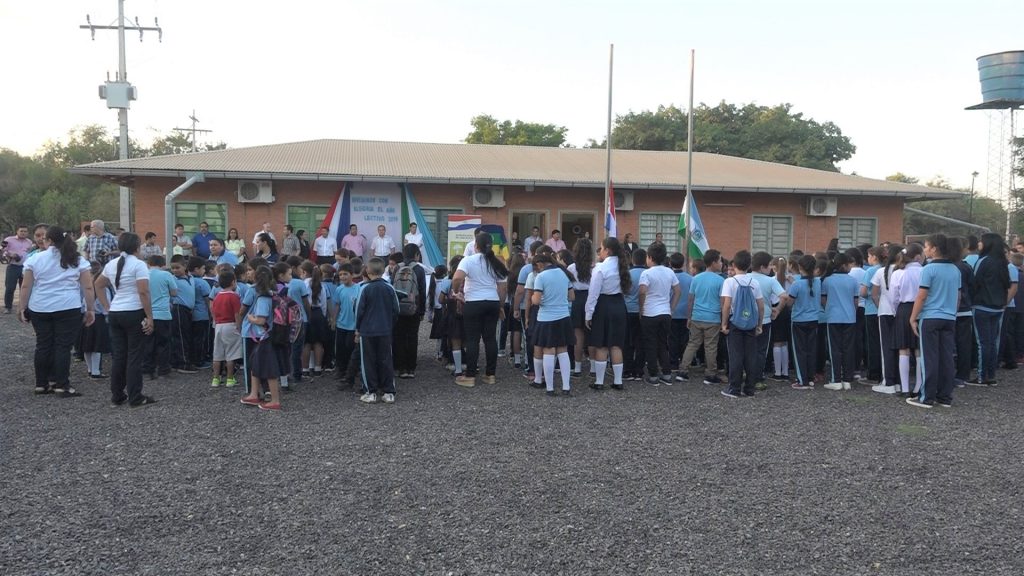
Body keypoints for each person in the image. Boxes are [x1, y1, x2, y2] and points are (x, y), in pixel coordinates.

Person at [20, 226, 95, 397]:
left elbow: (26, 285)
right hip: (68, 306)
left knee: (43, 344)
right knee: (63, 346)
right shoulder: (76, 259)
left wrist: (22, 307)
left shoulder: (36, 259)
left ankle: (41, 383)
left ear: (49, 240)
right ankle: (62, 384)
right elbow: (88, 286)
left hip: (40, 306)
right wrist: (90, 309)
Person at [95, 232, 157, 407]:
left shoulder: (111, 264)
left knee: (119, 356)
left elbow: (98, 285)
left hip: (115, 311)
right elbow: (143, 292)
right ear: (137, 247)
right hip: (134, 311)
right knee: (134, 356)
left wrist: (107, 306)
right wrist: (150, 317)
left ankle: (117, 395)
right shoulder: (139, 265)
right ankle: (135, 396)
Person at [907, 234, 960, 408]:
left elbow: (921, 296)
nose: (925, 249)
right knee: (946, 358)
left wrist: (913, 317)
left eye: (927, 246)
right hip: (949, 317)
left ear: (934, 248)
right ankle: (945, 396)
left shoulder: (928, 269)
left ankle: (927, 397)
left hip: (930, 317)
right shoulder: (955, 269)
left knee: (929, 357)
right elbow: (958, 296)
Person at [452, 232, 509, 387]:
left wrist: (456, 291)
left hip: (473, 302)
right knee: (490, 338)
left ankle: (470, 375)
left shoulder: (468, 260)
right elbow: (503, 288)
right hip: (492, 302)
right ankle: (490, 375)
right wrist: (501, 306)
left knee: (472, 339)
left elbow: (457, 278)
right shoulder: (498, 262)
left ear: (475, 246)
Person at [584, 236, 632, 390]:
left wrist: (588, 314)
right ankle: (618, 381)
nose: (600, 251)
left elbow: (593, 294)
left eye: (602, 248)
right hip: (619, 304)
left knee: (602, 345)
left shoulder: (600, 268)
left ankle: (599, 381)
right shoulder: (623, 266)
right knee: (616, 345)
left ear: (608, 250)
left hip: (603, 305)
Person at [719, 250, 765, 398]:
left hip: (735, 322)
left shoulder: (729, 282)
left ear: (734, 265)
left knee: (735, 355)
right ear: (749, 265)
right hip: (751, 323)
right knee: (751, 355)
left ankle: (734, 388)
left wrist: (724, 324)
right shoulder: (755, 282)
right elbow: (761, 306)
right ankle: (750, 388)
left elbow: (726, 305)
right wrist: (760, 324)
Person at [968, 233, 1011, 387]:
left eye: (981, 241)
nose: (979, 243)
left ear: (987, 244)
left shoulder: (983, 261)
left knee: (983, 343)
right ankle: (991, 375)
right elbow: (1007, 284)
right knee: (993, 342)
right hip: (998, 307)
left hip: (981, 306)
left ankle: (981, 377)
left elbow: (974, 282)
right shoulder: (1003, 262)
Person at [239, 265, 284, 411]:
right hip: (266, 336)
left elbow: (261, 320)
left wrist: (251, 318)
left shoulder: (263, 297)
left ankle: (274, 401)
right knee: (255, 364)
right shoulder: (273, 293)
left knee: (268, 368)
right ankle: (254, 393)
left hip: (264, 336)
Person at [356, 257, 400, 403]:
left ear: (367, 271)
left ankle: (370, 391)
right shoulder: (390, 288)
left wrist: (357, 328)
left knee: (367, 361)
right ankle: (389, 392)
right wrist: (390, 324)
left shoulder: (364, 288)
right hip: (385, 330)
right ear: (383, 270)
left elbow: (358, 311)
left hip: (367, 331)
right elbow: (396, 310)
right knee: (386, 359)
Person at [530, 253, 575, 395]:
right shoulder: (564, 273)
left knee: (548, 350)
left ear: (540, 264)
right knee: (563, 350)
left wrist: (533, 297)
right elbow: (572, 297)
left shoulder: (541, 277)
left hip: (546, 318)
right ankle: (566, 387)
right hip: (563, 316)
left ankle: (550, 388)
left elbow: (536, 301)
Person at [678, 250, 725, 385]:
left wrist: (689, 317)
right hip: (713, 318)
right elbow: (722, 302)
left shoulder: (696, 278)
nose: (721, 263)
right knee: (710, 347)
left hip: (697, 316)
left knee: (692, 344)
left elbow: (691, 299)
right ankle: (710, 374)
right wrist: (723, 319)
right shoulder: (720, 280)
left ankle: (683, 371)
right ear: (714, 262)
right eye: (720, 261)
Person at [639, 242, 682, 385]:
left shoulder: (646, 273)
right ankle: (667, 374)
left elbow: (642, 291)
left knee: (650, 344)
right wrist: (672, 307)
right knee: (663, 344)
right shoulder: (669, 272)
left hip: (649, 313)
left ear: (650, 257)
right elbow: (677, 291)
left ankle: (653, 375)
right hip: (665, 312)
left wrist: (641, 308)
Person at [889, 244, 924, 397]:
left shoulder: (898, 273)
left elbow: (893, 298)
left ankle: (904, 388)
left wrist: (896, 311)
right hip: (922, 309)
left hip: (903, 309)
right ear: (918, 256)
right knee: (919, 349)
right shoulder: (924, 271)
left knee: (903, 349)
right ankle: (918, 386)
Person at [821, 253, 859, 390]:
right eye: (850, 264)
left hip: (833, 317)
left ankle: (835, 379)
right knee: (849, 348)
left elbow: (823, 300)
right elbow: (856, 301)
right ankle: (847, 379)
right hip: (850, 318)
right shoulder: (853, 281)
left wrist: (829, 309)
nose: (851, 267)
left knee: (834, 349)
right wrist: (852, 312)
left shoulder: (827, 281)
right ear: (844, 265)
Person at [783, 254, 822, 389]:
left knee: (799, 350)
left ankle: (802, 380)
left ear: (799, 267)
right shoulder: (818, 282)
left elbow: (790, 303)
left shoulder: (796, 284)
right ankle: (810, 378)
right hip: (814, 319)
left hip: (799, 320)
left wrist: (785, 297)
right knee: (811, 349)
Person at [749, 251, 786, 387]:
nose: (771, 268)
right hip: (764, 320)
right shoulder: (770, 281)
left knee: (747, 348)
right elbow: (784, 296)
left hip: (744, 320)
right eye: (769, 266)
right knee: (761, 350)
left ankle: (745, 374)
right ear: (763, 267)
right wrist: (777, 309)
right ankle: (757, 377)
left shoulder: (743, 277)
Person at [870, 244, 903, 394]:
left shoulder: (880, 271)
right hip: (901, 312)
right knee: (900, 348)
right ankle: (898, 381)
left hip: (884, 311)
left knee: (886, 348)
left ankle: (888, 381)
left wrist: (879, 306)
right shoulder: (904, 271)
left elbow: (874, 294)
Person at [393, 244, 427, 379]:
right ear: (417, 255)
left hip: (399, 307)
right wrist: (422, 310)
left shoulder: (396, 267)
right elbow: (423, 292)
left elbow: (392, 287)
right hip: (414, 307)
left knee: (399, 337)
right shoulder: (419, 269)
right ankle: (411, 368)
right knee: (412, 337)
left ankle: (401, 368)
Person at [144, 255, 176, 380]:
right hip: (163, 313)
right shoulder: (166, 275)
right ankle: (163, 370)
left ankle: (147, 370)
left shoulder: (144, 274)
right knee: (163, 343)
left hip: (147, 313)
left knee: (148, 343)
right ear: (162, 264)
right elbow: (174, 292)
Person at [330, 263, 361, 389]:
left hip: (353, 325)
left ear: (352, 275)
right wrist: (333, 319)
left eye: (345, 274)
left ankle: (351, 369)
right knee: (340, 348)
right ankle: (340, 369)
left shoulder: (358, 288)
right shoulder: (339, 289)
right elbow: (337, 305)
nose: (342, 277)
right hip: (341, 323)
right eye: (341, 274)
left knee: (350, 347)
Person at [210, 269, 243, 388]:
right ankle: (230, 378)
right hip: (230, 325)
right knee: (231, 354)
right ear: (233, 282)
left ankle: (215, 379)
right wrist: (239, 327)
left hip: (218, 325)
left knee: (217, 353)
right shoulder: (234, 296)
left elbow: (213, 311)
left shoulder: (217, 296)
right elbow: (237, 314)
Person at [567, 239, 594, 377]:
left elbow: (568, 287)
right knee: (592, 335)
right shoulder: (594, 267)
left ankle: (577, 368)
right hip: (591, 298)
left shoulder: (571, 268)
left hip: (576, 300)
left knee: (577, 334)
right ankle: (593, 368)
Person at [82, 262, 111, 379]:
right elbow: (106, 305)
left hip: (86, 317)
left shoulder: (88, 289)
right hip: (99, 319)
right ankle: (96, 371)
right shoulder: (104, 290)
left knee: (87, 345)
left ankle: (90, 369)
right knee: (97, 346)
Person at [169, 258, 198, 374]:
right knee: (180, 337)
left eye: (177, 267)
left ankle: (182, 360)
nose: (175, 270)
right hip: (179, 309)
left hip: (188, 310)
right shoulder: (172, 279)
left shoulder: (191, 278)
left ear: (185, 266)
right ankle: (182, 363)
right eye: (173, 268)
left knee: (185, 335)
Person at [669, 252, 693, 378]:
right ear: (683, 264)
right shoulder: (690, 278)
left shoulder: (669, 276)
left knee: (672, 339)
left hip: (672, 312)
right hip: (685, 313)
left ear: (670, 263)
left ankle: (673, 363)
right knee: (685, 339)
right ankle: (683, 362)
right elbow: (692, 297)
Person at [3, 224, 33, 313]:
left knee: (24, 287)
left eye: (25, 231)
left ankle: (23, 307)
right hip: (13, 267)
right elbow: (3, 251)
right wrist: (9, 254)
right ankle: (8, 307)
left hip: (25, 267)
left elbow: (30, 253)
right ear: (17, 231)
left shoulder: (29, 242)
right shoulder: (9, 240)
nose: (23, 233)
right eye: (21, 231)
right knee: (10, 288)